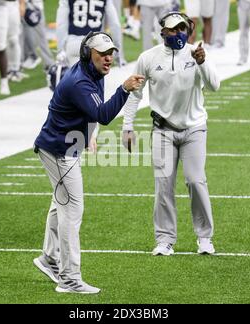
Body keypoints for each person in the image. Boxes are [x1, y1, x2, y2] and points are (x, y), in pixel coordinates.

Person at [33, 31, 144, 294]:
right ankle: (69, 279)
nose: (108, 58)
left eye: (110, 53)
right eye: (102, 54)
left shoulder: (92, 72)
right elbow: (103, 114)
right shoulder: (81, 81)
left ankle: (49, 258)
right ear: (87, 54)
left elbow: (91, 111)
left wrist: (89, 133)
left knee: (59, 206)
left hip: (62, 146)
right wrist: (124, 89)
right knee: (72, 211)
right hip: (59, 151)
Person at [122, 12, 220, 256]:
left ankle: (204, 237)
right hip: (163, 130)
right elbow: (135, 93)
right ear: (163, 31)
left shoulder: (196, 53)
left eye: (182, 29)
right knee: (163, 185)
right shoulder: (148, 58)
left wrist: (203, 62)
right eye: (173, 29)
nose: (178, 33)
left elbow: (214, 85)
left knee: (196, 181)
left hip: (194, 128)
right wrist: (127, 127)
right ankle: (164, 239)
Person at [56, 0, 125, 67]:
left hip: (74, 43)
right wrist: (117, 52)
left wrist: (60, 50)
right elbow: (115, 25)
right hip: (96, 45)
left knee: (74, 77)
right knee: (95, 77)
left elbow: (61, 24)